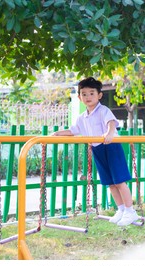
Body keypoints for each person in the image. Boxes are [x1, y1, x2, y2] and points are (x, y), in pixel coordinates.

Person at [52, 77, 139, 226]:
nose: (88, 97)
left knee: (119, 181)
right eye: (84, 94)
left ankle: (131, 211)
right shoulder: (81, 118)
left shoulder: (103, 110)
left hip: (111, 146)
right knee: (110, 183)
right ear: (79, 97)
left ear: (99, 95)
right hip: (97, 149)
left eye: (92, 93)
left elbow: (111, 123)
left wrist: (110, 133)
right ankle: (121, 209)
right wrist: (57, 133)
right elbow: (73, 131)